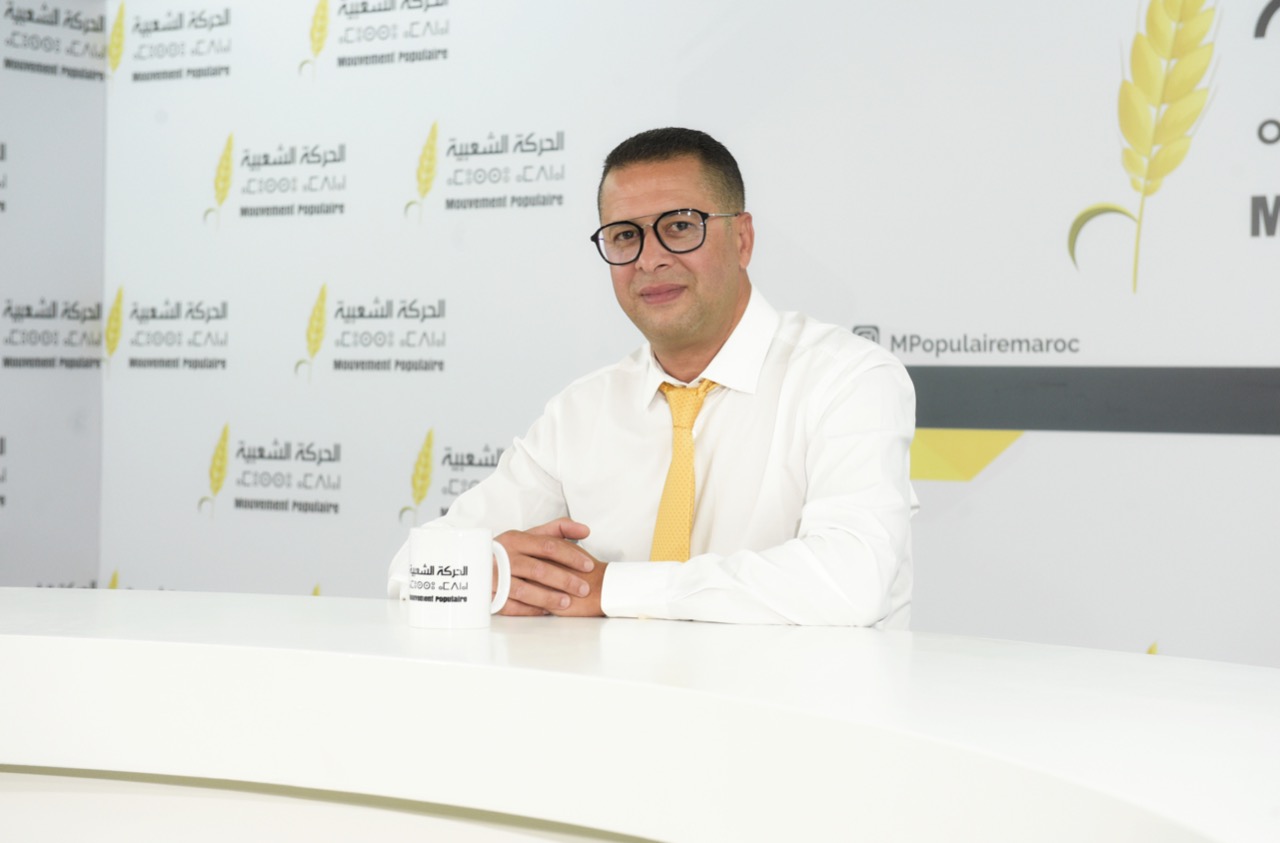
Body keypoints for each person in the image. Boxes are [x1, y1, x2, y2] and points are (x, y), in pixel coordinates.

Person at [388, 127, 917, 627]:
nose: (650, 259)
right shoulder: (581, 412)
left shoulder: (847, 380)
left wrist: (611, 589)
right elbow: (409, 569)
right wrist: (491, 573)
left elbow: (853, 578)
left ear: (742, 239)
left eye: (680, 226)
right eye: (625, 236)